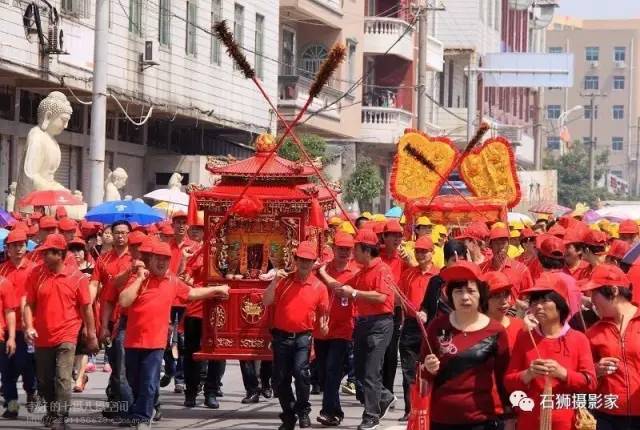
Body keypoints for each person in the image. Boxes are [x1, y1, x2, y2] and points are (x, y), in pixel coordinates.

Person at [118, 241, 229, 428]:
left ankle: (143, 417)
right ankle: (145, 410)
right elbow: (124, 301)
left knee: (149, 382)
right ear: (150, 259)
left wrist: (216, 290)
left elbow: (192, 292)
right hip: (133, 341)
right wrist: (138, 279)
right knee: (134, 382)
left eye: (166, 259)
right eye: (158, 259)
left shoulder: (172, 280)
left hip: (155, 343)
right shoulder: (139, 279)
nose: (162, 263)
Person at [318, 229, 396, 430]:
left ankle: (371, 415)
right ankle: (385, 396)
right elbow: (339, 287)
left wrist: (355, 293)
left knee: (370, 371)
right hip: (362, 324)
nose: (352, 253)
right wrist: (323, 272)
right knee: (360, 371)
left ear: (366, 250)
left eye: (355, 249)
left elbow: (382, 297)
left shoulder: (382, 270)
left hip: (380, 324)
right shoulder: (361, 272)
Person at [422, 261, 510, 430]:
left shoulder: (495, 330)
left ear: (481, 294)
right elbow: (420, 371)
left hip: (481, 420)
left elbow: (503, 378)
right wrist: (427, 368)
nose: (464, 297)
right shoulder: (437, 326)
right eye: (458, 291)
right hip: (441, 419)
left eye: (471, 291)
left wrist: (510, 416)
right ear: (450, 296)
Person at [23, 234, 99, 429]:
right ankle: (51, 410)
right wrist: (29, 326)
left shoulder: (77, 277)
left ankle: (61, 416)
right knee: (44, 379)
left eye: (47, 253)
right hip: (43, 335)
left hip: (67, 333)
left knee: (63, 376)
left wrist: (91, 334)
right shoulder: (36, 274)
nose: (42, 257)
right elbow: (29, 304)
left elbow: (86, 307)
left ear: (60, 254)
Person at [505, 275, 596, 430]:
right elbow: (509, 382)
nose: (538, 306)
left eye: (544, 301)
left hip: (568, 423)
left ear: (560, 305)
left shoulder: (578, 339)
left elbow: (591, 383)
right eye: (534, 301)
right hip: (529, 422)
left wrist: (563, 374)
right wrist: (529, 374)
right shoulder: (525, 338)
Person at [263, 241, 329, 430]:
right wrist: (274, 281)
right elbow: (266, 300)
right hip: (281, 336)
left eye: (308, 260)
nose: (304, 264)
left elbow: (324, 314)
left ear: (313, 262)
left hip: (303, 337)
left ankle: (303, 411)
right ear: (295, 259)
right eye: (301, 259)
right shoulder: (283, 281)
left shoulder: (319, 287)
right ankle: (289, 414)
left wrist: (323, 327)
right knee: (280, 378)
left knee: (301, 373)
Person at [582, 264, 640, 430]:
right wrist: (595, 370)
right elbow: (582, 376)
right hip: (607, 416)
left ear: (613, 291)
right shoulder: (593, 333)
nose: (591, 299)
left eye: (594, 293)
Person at [315, 233, 360, 427]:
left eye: (347, 249)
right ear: (333, 248)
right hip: (322, 328)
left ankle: (327, 412)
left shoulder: (356, 271)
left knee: (333, 370)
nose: (344, 252)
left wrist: (323, 274)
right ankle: (336, 412)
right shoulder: (321, 269)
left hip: (344, 329)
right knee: (324, 373)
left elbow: (339, 288)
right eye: (340, 248)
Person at [398, 236, 437, 422]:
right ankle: (410, 408)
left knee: (430, 368)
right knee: (409, 370)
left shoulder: (439, 276)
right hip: (411, 326)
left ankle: (431, 406)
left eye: (424, 251)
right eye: (418, 251)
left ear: (433, 253)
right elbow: (400, 298)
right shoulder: (408, 274)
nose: (421, 254)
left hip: (431, 326)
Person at [0, 229, 37, 417]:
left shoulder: (34, 269)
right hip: (6, 326)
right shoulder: (2, 270)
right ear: (7, 249)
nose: (18, 249)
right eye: (14, 246)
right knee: (6, 369)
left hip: (27, 326)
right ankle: (12, 406)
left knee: (25, 364)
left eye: (21, 245)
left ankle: (31, 390)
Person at [379, 219, 412, 399]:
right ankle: (378, 390)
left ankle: (388, 391)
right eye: (392, 235)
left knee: (391, 353)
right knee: (378, 354)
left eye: (399, 236)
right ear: (384, 237)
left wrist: (410, 260)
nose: (397, 239)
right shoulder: (377, 257)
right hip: (377, 310)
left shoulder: (404, 259)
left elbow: (417, 275)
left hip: (395, 311)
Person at [68, 237, 94, 393]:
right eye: (72, 250)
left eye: (79, 250)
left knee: (83, 347)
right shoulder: (65, 271)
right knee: (71, 347)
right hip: (69, 313)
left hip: (86, 311)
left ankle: (79, 378)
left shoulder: (92, 269)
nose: (76, 253)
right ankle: (76, 373)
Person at [479, 227, 533, 297]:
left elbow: (529, 298)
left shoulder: (521, 269)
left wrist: (516, 304)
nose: (501, 247)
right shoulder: (481, 269)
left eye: (503, 243)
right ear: (490, 246)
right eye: (497, 243)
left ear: (508, 245)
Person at [0, 265, 18, 419]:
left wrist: (11, 337)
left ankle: (12, 407)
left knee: (8, 375)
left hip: (1, 337)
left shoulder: (3, 283)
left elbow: (10, 311)